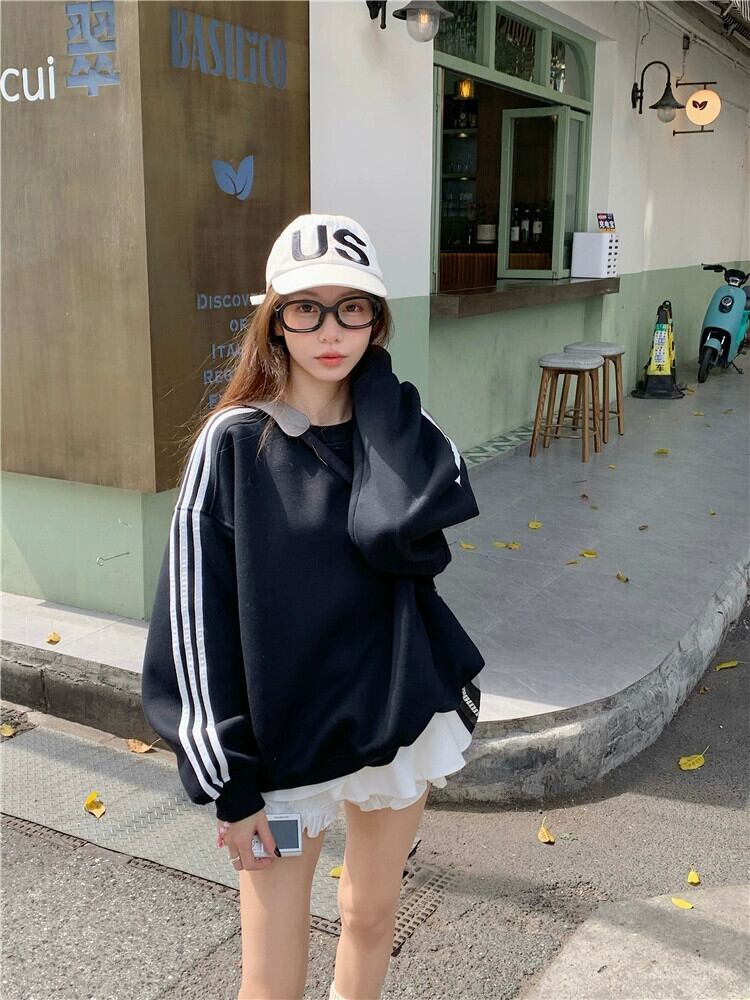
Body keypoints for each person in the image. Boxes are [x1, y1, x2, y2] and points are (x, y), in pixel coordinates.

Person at [141, 213, 485, 1000]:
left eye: (351, 309)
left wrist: (380, 404)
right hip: (281, 751)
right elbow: (193, 618)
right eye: (306, 308)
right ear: (275, 320)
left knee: (371, 915)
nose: (330, 331)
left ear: (376, 320)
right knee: (271, 975)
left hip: (394, 722)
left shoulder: (399, 428)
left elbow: (412, 538)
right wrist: (229, 783)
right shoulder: (234, 443)